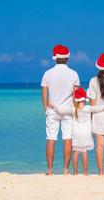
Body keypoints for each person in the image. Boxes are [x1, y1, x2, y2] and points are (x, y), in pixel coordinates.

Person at [48, 88, 104, 175]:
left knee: (76, 152)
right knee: (84, 152)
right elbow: (100, 108)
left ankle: (75, 172)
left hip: (76, 133)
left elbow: (61, 110)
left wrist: (52, 105)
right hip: (86, 133)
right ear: (84, 100)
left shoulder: (73, 109)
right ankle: (85, 172)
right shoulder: (87, 108)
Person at [41, 44, 80, 175]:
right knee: (67, 138)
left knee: (51, 139)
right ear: (67, 58)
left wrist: (46, 109)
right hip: (68, 111)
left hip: (52, 110)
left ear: (55, 58)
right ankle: (65, 170)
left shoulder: (47, 74)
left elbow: (44, 94)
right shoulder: (73, 74)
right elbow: (76, 96)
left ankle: (50, 171)